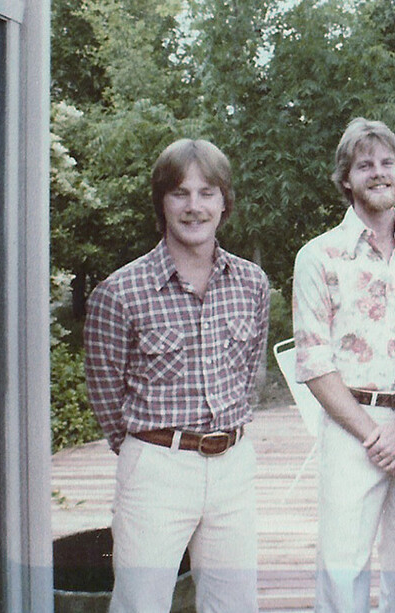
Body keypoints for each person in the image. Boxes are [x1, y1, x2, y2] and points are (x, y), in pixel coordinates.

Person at [84, 138, 269, 613]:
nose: (194, 207)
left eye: (207, 192)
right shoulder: (119, 292)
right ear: (161, 202)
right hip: (156, 469)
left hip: (233, 464)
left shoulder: (252, 282)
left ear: (225, 202)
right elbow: (106, 393)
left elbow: (249, 373)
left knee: (233, 604)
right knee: (139, 604)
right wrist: (148, 452)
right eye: (179, 193)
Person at [292, 118, 395, 613]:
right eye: (365, 165)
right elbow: (315, 362)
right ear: (347, 179)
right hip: (350, 425)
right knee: (343, 563)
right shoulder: (319, 256)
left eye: (386, 163)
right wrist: (373, 435)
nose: (378, 173)